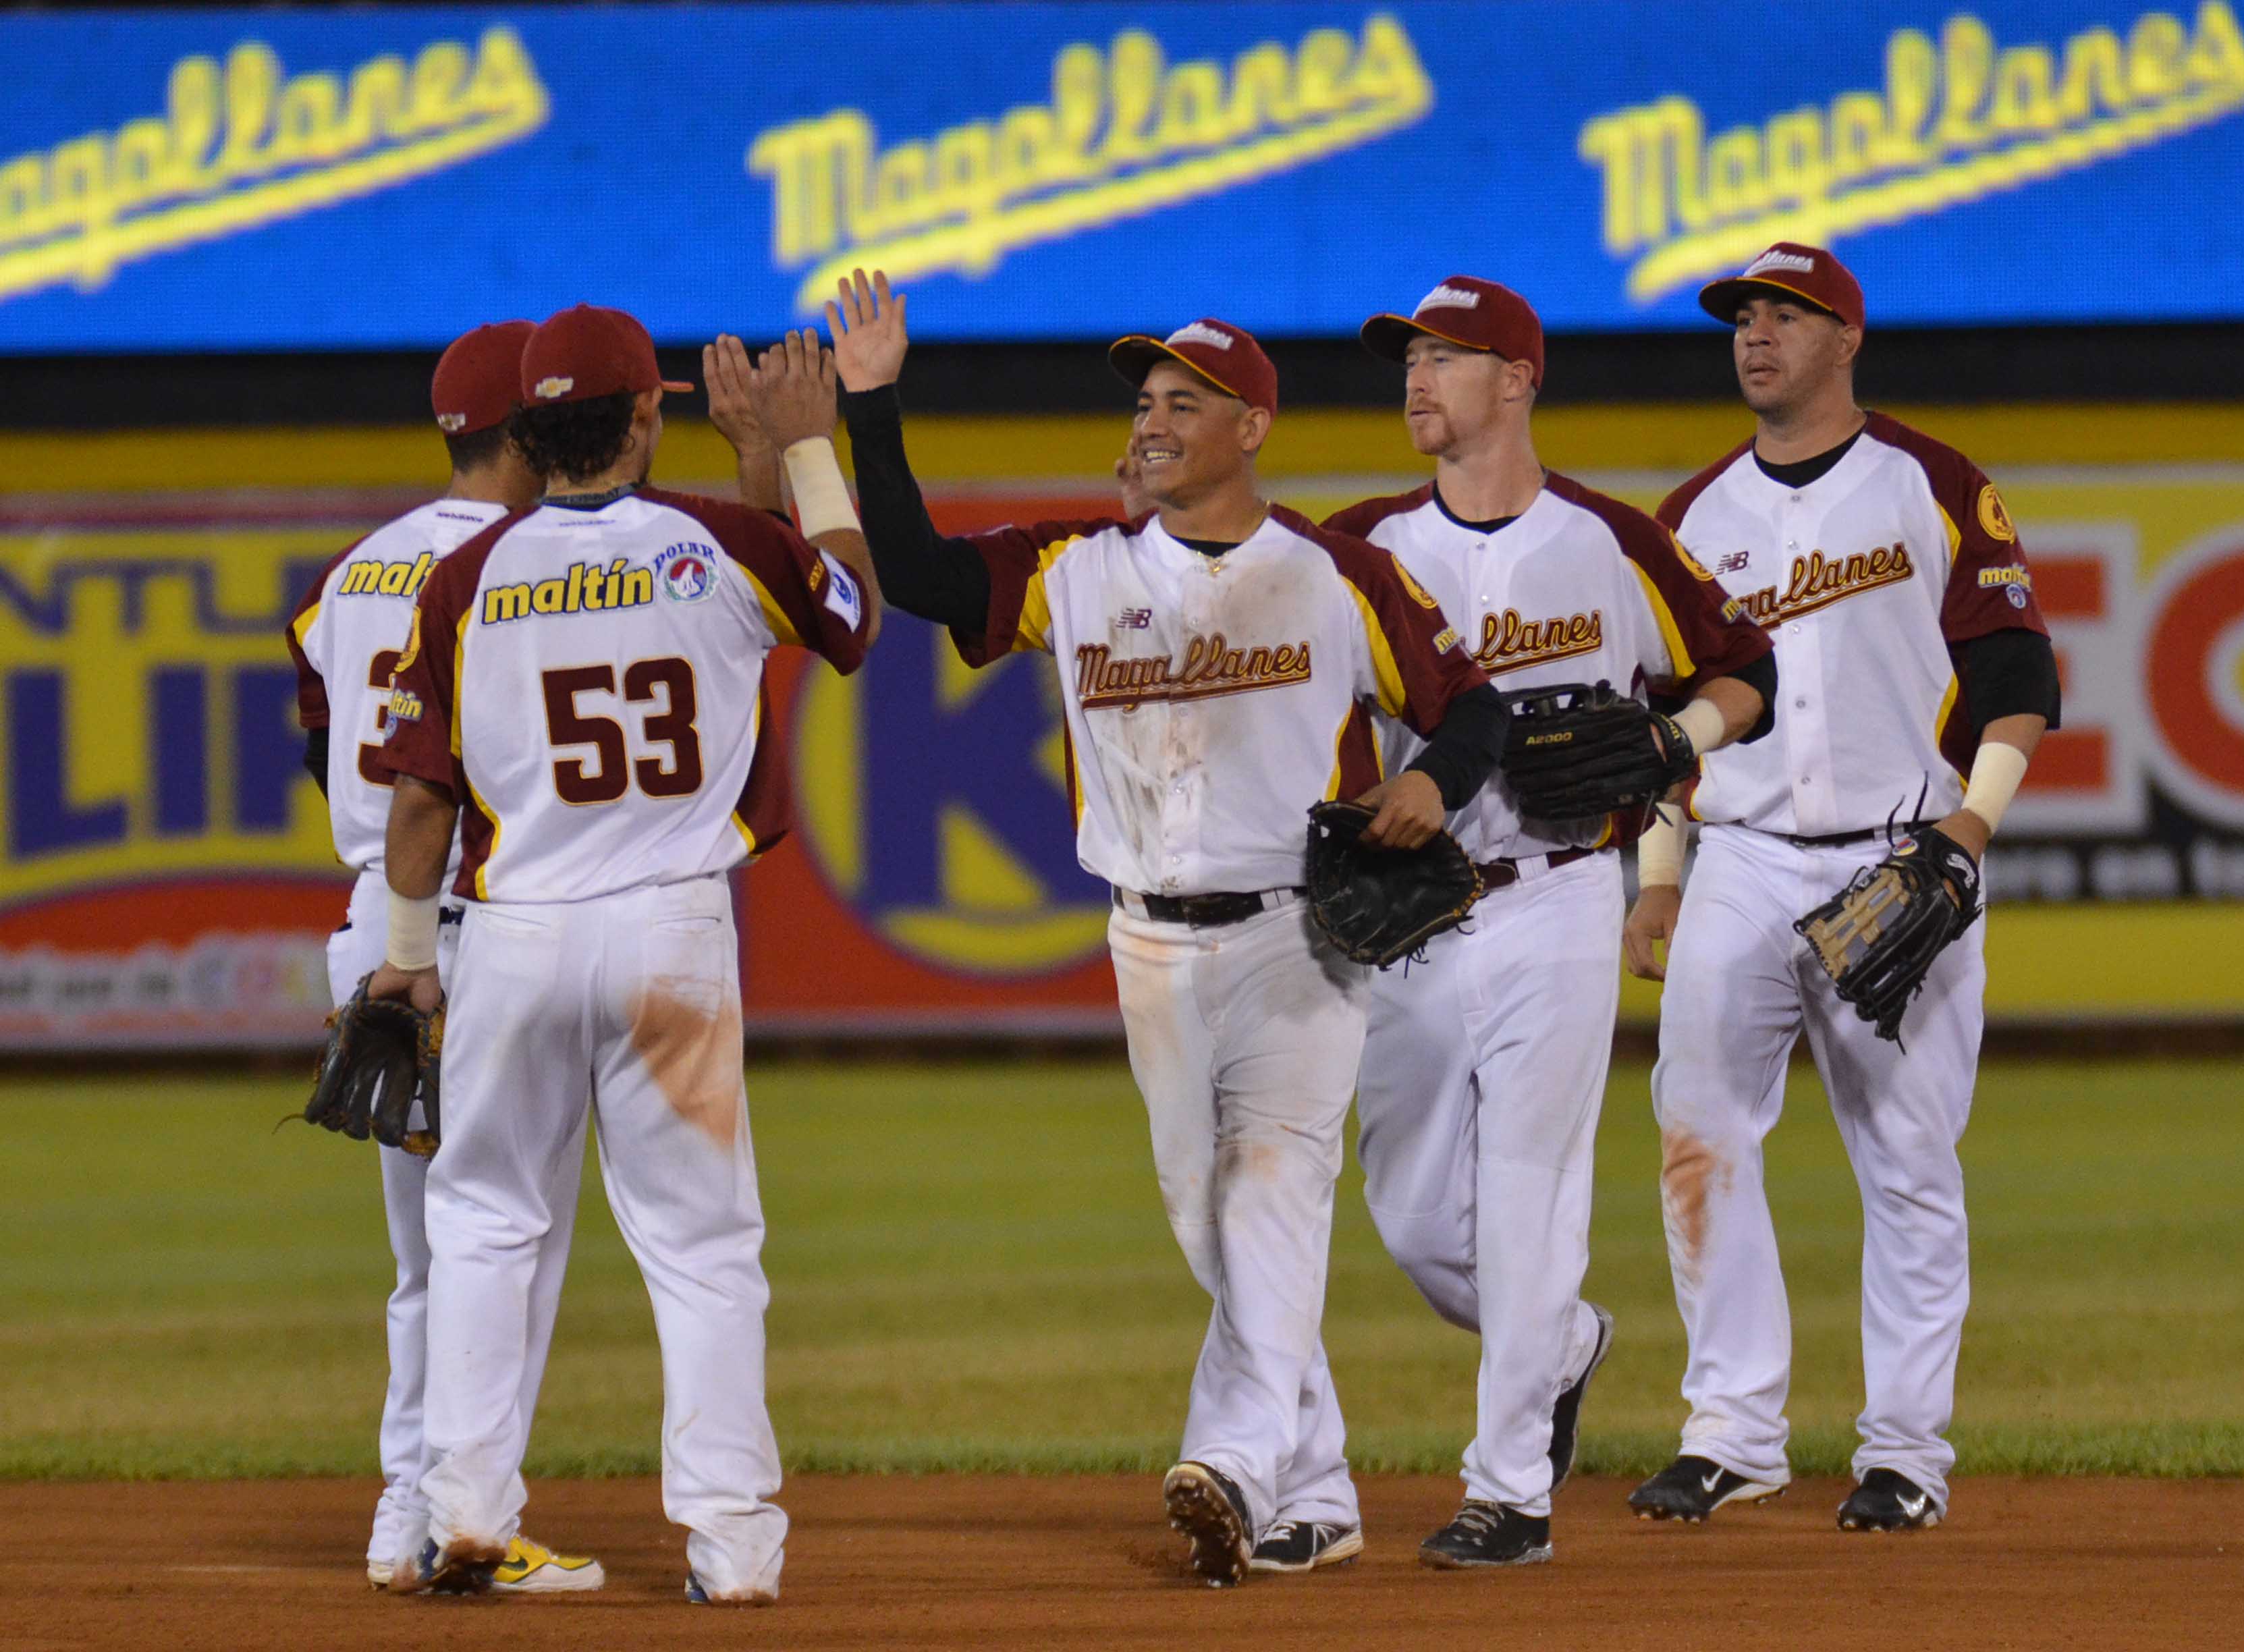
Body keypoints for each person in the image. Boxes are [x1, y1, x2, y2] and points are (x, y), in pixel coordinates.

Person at [826, 269, 1509, 1588]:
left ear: (1250, 426)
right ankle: (1316, 1490)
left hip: (1297, 937)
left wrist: (1432, 780)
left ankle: (1234, 1469)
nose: (1150, 420)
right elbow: (913, 574)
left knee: (1268, 1198)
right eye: (1143, 399)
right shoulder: (1075, 573)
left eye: (1181, 402)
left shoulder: (1331, 574)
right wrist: (870, 405)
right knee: (1210, 1225)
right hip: (1145, 940)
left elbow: (1472, 706)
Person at [366, 304, 881, 1601]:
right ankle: (732, 1544)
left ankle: (468, 1515)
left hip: (517, 936)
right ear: (646, 414)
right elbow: (850, 618)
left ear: (530, 428)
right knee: (703, 1248)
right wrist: (808, 451)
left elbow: (420, 800)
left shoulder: (468, 575)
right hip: (671, 934)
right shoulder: (717, 543)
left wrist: (407, 957)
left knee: (481, 1224)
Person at [1309, 276, 1775, 1569]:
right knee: (1408, 1214)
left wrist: (1675, 735)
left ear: (1518, 381)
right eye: (1408, 356)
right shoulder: (1356, 549)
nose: (1417, 378)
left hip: (1560, 899)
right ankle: (1563, 1343)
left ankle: (1509, 1491)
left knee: (1530, 1195)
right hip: (1415, 912)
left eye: (1447, 357)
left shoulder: (1613, 542)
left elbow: (1752, 670)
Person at [1624, 244, 2059, 1532]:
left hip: (1902, 850)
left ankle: (1907, 1453)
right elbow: (1666, 720)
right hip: (1743, 860)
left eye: (1786, 315)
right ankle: (1733, 1433)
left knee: (1911, 1158)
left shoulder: (1933, 485)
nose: (1756, 336)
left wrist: (1971, 829)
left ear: (1846, 337)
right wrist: (1659, 879)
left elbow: (2020, 677)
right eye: (1743, 317)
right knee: (1698, 1137)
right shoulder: (1695, 515)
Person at [282, 320, 601, 1595]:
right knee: (508, 1246)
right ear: (525, 432)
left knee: (430, 1259)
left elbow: (321, 730)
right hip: (478, 926)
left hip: (377, 916)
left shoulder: (351, 574)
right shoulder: (522, 565)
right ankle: (472, 1515)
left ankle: (401, 1519)